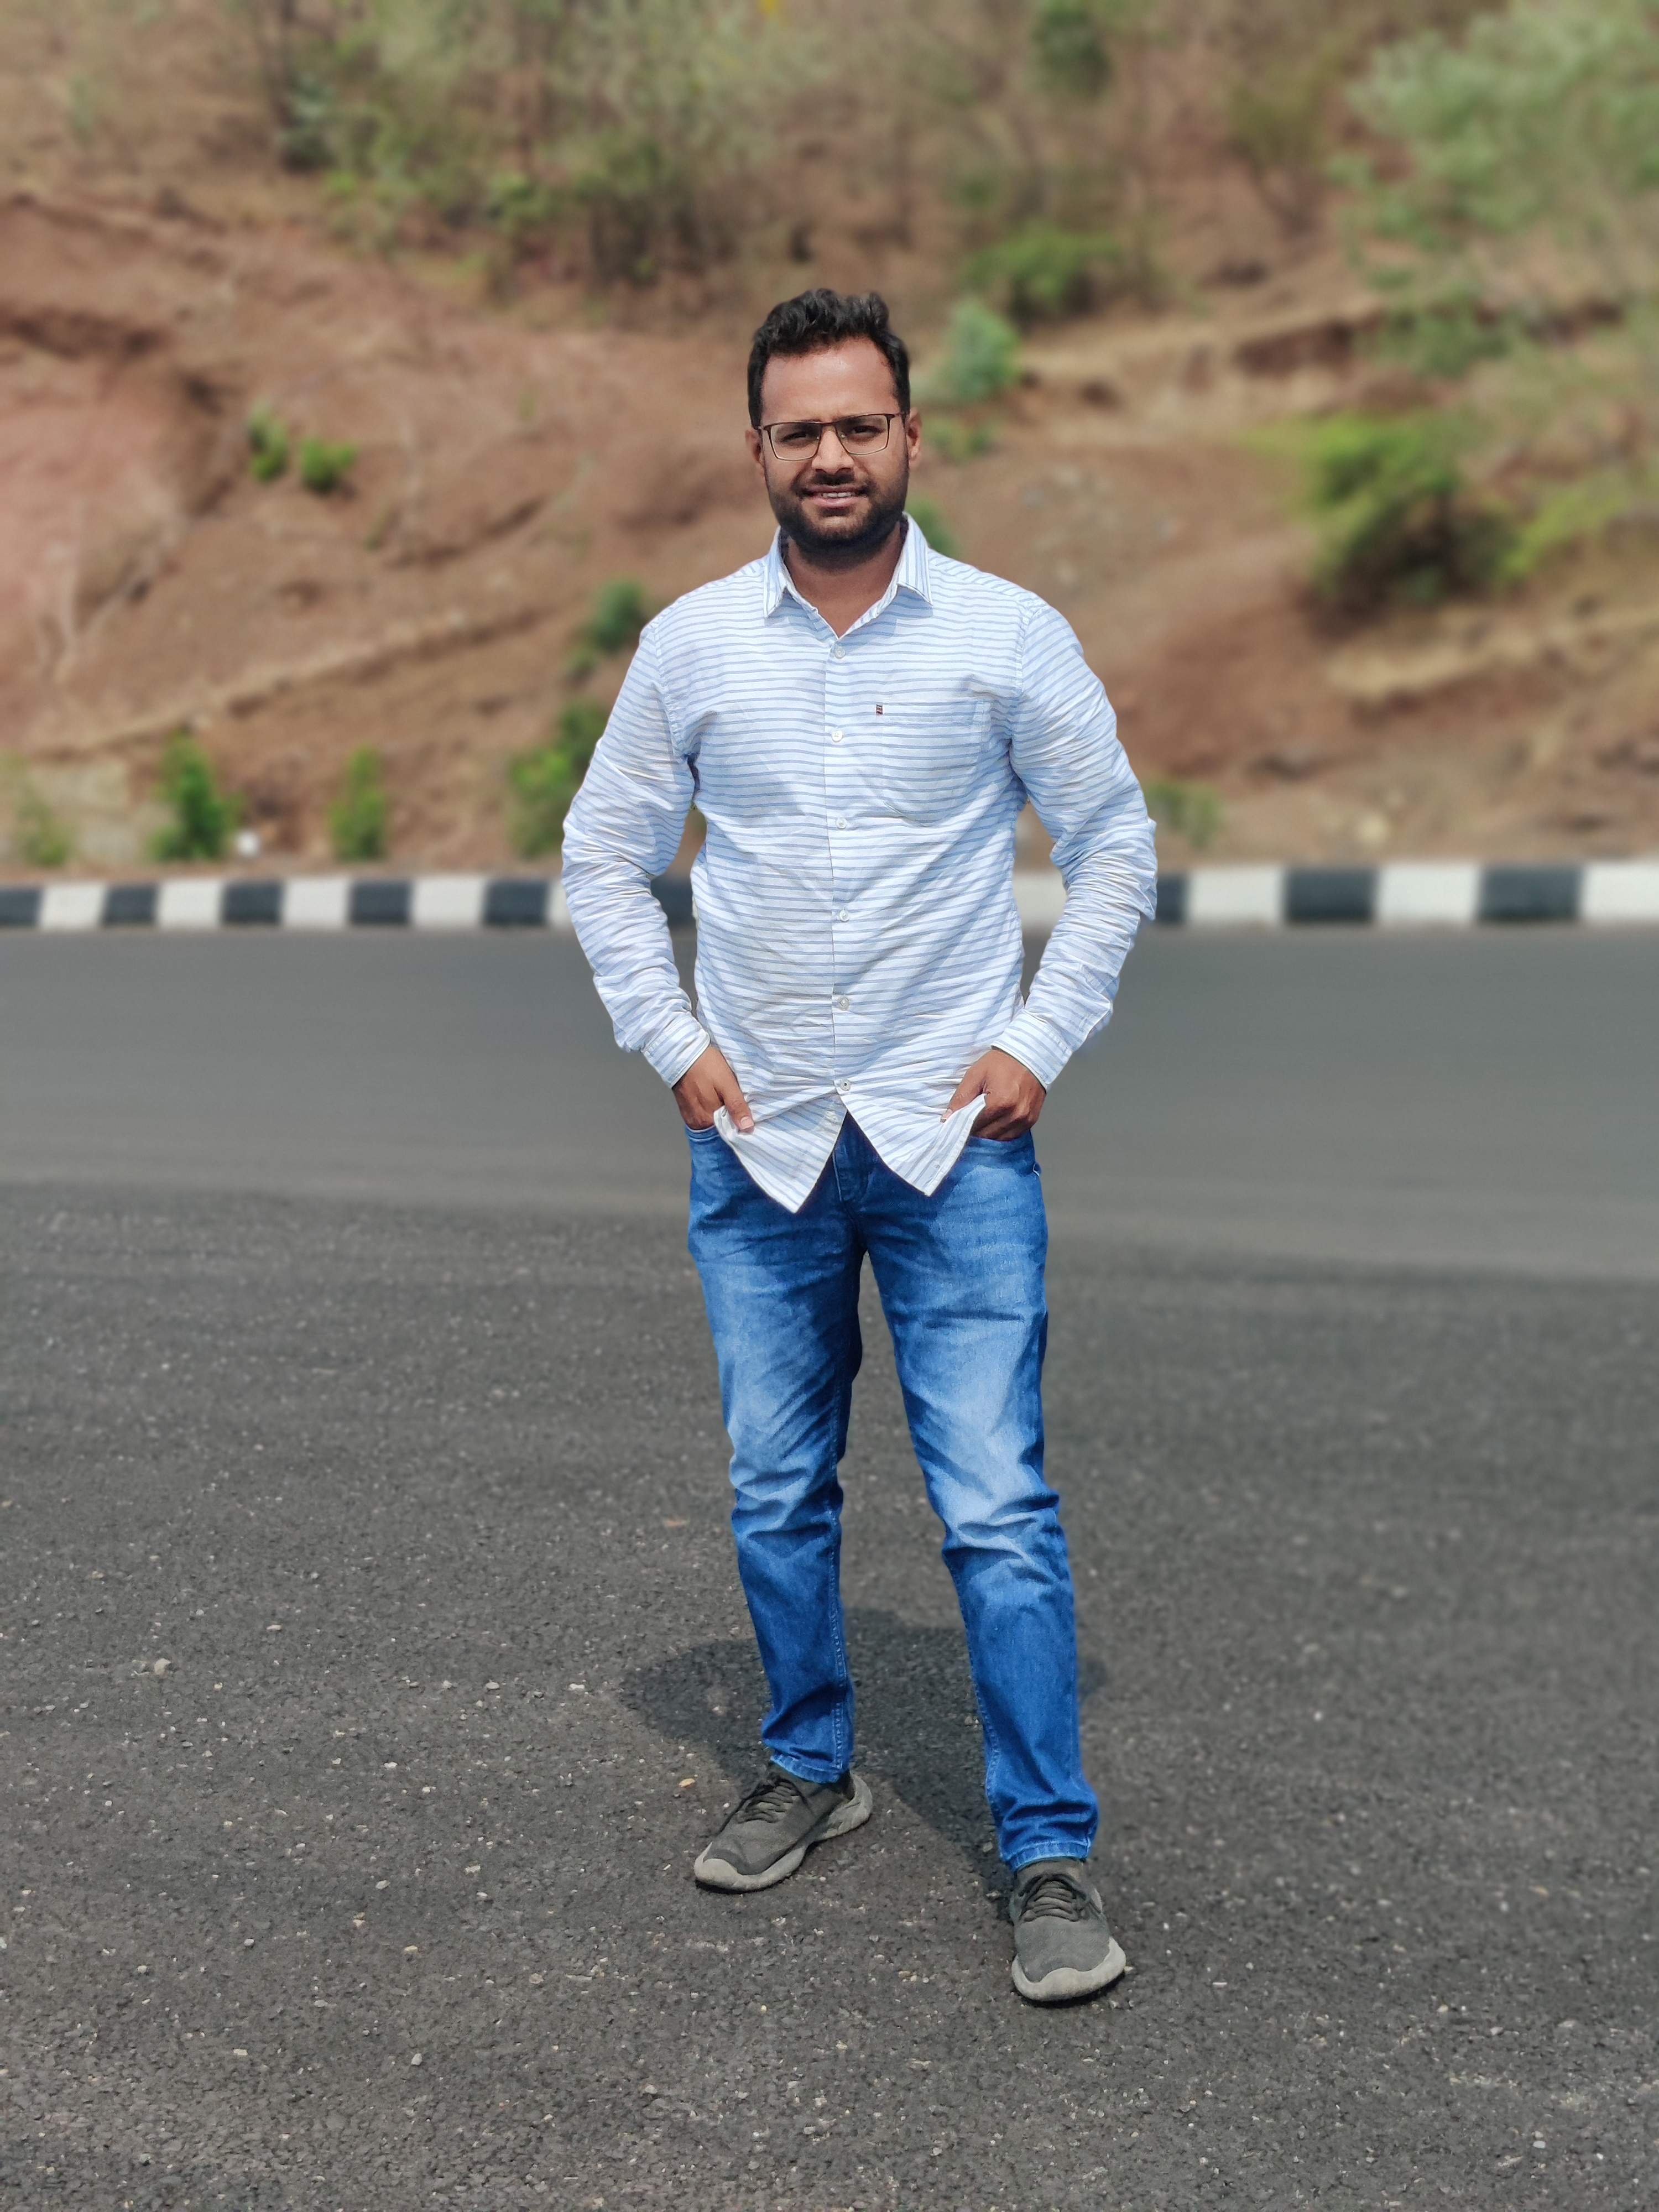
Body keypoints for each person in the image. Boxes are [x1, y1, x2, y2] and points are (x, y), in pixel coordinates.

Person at [562, 287, 1156, 2004]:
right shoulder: (692, 647)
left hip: (951, 1143)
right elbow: (604, 857)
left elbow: (1115, 844)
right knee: (775, 1486)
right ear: (758, 449)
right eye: (800, 430)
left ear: (911, 437)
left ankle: (1047, 1849)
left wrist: (1038, 1039)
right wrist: (674, 1042)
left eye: (859, 425)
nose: (832, 455)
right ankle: (809, 1768)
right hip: (762, 1150)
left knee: (996, 1507)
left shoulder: (1006, 634)